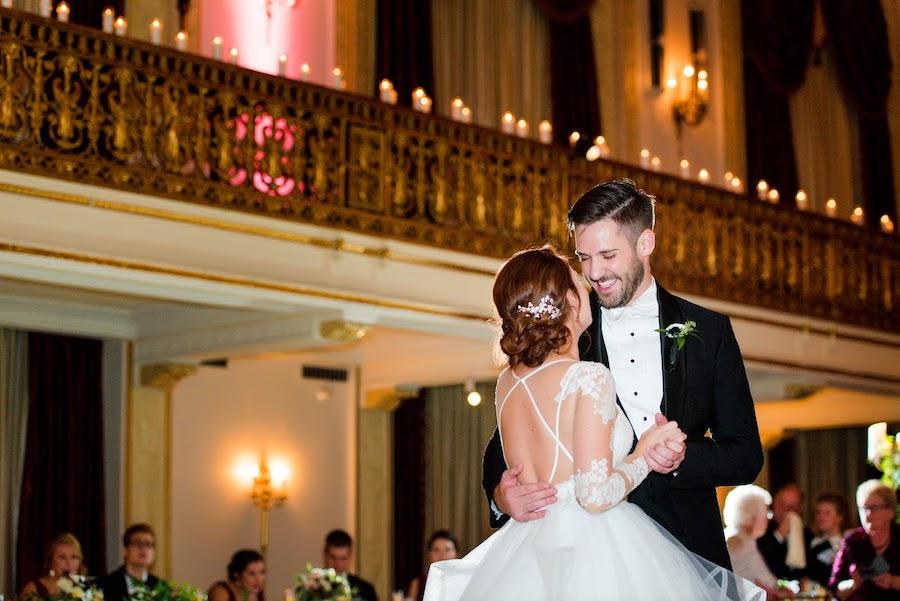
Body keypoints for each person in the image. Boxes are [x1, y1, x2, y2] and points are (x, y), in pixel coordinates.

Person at [424, 246, 764, 600]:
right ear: (570, 301)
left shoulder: (507, 382)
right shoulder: (589, 376)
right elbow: (594, 495)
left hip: (533, 551)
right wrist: (645, 453)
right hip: (598, 547)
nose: (589, 280)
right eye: (578, 275)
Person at [482, 179, 764, 570]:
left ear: (645, 243)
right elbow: (508, 440)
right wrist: (501, 496)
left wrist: (681, 458)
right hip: (584, 557)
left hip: (688, 551)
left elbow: (745, 455)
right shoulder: (566, 329)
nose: (594, 273)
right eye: (584, 257)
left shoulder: (709, 331)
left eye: (608, 255)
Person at [830, 480, 900, 600]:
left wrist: (893, 581)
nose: (867, 514)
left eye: (874, 508)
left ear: (890, 511)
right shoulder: (852, 541)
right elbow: (834, 588)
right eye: (863, 508)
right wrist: (853, 584)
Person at [723, 485, 785, 599]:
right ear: (752, 515)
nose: (768, 518)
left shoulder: (739, 536)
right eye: (766, 512)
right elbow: (765, 581)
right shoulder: (739, 541)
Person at [756, 483, 813, 580]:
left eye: (793, 506)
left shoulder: (807, 535)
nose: (787, 510)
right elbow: (757, 558)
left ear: (801, 509)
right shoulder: (760, 529)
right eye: (782, 504)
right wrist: (779, 534)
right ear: (774, 503)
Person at [98, 524, 161, 601]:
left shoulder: (160, 587)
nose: (143, 548)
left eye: (148, 544)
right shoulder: (104, 585)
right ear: (125, 551)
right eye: (137, 543)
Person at [20, 532, 86, 598]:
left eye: (74, 557)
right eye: (62, 557)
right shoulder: (33, 589)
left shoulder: (85, 587)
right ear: (51, 562)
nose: (69, 563)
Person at [807, 491, 849, 586]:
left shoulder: (846, 543)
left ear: (840, 517)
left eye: (827, 512)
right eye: (818, 512)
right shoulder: (813, 542)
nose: (821, 517)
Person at [323, 529, 377, 601]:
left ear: (350, 557)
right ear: (325, 556)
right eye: (333, 557)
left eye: (343, 558)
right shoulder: (311, 588)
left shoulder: (366, 590)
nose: (338, 564)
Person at [406, 530, 458, 601]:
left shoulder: (464, 580)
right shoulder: (417, 584)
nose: (442, 556)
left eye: (447, 550)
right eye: (436, 550)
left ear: (456, 553)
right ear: (429, 554)